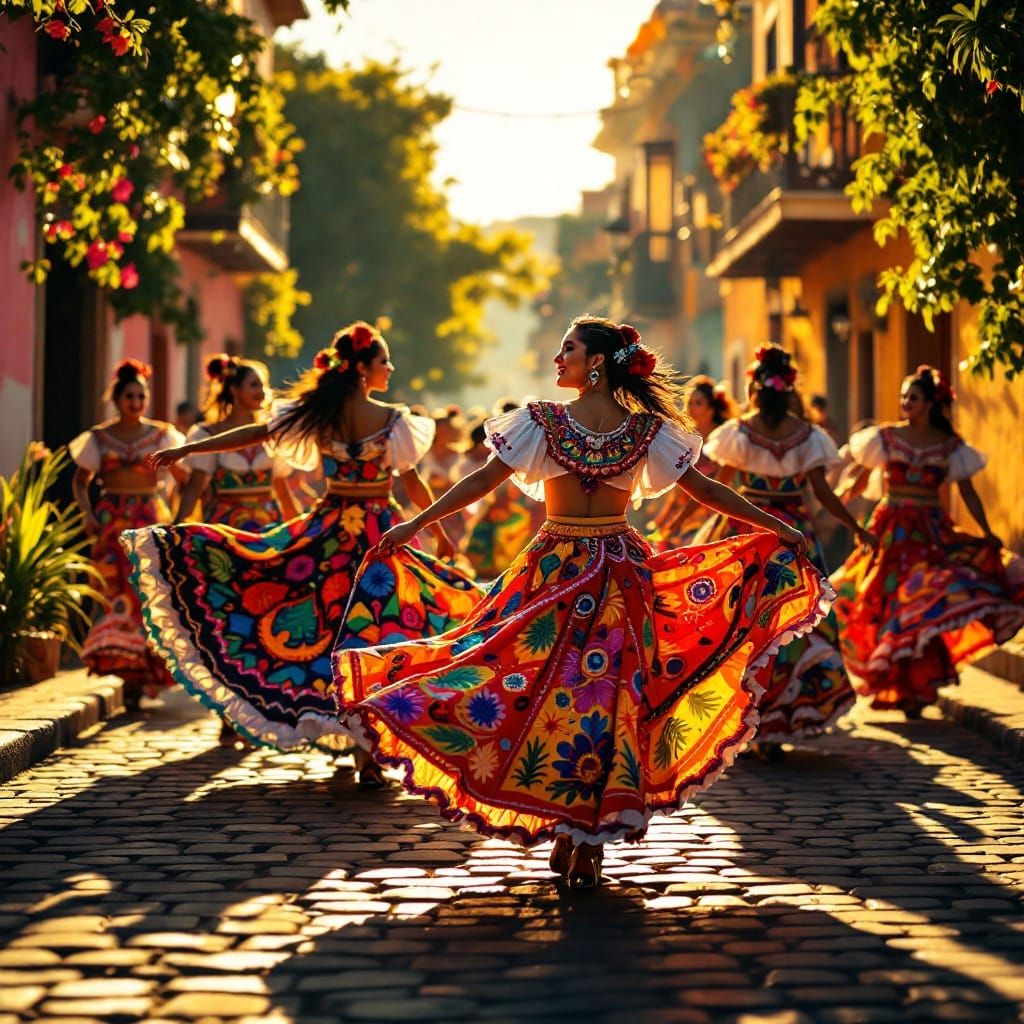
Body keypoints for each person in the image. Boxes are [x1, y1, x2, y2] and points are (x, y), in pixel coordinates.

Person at [331, 316, 832, 889]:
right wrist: (416, 523)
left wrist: (776, 528)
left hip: (573, 572)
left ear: (595, 362)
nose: (557, 359)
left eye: (567, 348)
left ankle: (581, 832)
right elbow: (483, 483)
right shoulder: (604, 428)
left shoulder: (589, 426)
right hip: (609, 574)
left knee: (571, 697)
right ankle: (578, 831)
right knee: (590, 700)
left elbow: (485, 482)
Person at [122, 322, 479, 783]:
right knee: (380, 632)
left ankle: (359, 741)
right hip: (377, 536)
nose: (390, 368)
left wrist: (190, 449)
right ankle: (366, 750)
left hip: (327, 536)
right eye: (384, 361)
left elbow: (253, 435)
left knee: (329, 633)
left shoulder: (322, 414)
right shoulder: (393, 420)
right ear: (363, 369)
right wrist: (436, 528)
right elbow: (409, 481)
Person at [689, 347, 875, 756]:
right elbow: (822, 493)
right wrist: (855, 525)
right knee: (799, 621)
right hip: (794, 536)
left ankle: (744, 715)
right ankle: (781, 711)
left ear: (753, 389)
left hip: (749, 531)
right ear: (789, 390)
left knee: (740, 621)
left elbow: (718, 489)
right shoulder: (808, 436)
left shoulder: (737, 433)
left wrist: (701, 535)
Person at [831, 364, 1024, 718]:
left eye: (913, 397)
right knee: (889, 603)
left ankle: (917, 688)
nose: (906, 402)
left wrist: (987, 531)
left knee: (925, 600)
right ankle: (903, 686)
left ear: (931, 402)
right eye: (903, 396)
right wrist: (839, 505)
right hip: (892, 534)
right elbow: (860, 479)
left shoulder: (949, 445)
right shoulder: (886, 437)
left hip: (931, 534)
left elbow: (968, 493)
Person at [70, 360, 186, 709]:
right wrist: (88, 513)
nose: (136, 401)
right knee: (114, 593)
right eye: (130, 396)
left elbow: (185, 479)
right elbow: (80, 482)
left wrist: (177, 516)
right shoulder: (99, 437)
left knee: (147, 592)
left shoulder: (162, 436)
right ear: (117, 399)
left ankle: (143, 672)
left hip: (148, 518)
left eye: (141, 396)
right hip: (111, 523)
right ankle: (124, 669)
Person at [176, 354, 299, 532]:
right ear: (234, 390)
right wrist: (176, 524)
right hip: (225, 531)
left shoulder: (271, 432)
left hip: (268, 531)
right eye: (254, 385)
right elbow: (195, 486)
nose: (262, 392)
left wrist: (300, 530)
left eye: (263, 385)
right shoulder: (208, 434)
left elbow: (281, 489)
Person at [650, 376, 738, 549]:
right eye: (690, 402)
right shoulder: (685, 438)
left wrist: (681, 518)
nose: (691, 408)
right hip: (683, 509)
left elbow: (718, 485)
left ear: (712, 408)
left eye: (698, 403)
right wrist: (666, 512)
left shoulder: (722, 439)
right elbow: (677, 481)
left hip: (711, 510)